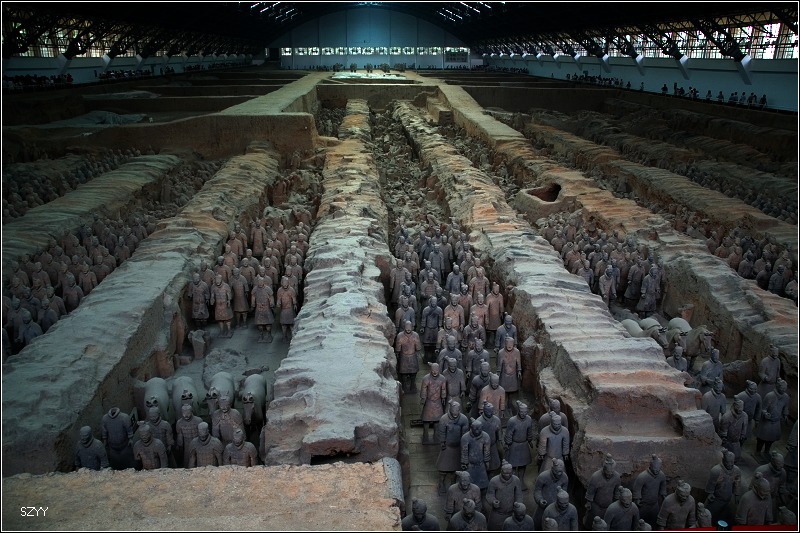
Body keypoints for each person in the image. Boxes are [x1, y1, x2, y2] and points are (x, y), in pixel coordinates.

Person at [437, 400, 470, 494]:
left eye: (457, 412)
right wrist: (442, 442)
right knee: (443, 468)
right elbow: (442, 432)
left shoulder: (463, 419)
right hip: (447, 447)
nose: (455, 414)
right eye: (453, 412)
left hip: (458, 447)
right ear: (450, 409)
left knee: (456, 468)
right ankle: (441, 483)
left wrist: (464, 445)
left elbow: (465, 434)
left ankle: (453, 484)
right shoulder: (444, 419)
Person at [704, 450, 742, 524]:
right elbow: (711, 483)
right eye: (728, 462)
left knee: (722, 514)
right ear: (723, 460)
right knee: (709, 513)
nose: (730, 464)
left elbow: (737, 482)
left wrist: (737, 494)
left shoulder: (736, 470)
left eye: (732, 462)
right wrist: (710, 493)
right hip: (716, 498)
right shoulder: (716, 470)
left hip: (728, 498)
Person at [755, 378, 789, 458]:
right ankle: (758, 452)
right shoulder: (770, 395)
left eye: (785, 388)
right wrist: (765, 413)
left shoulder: (786, 397)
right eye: (782, 388)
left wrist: (785, 415)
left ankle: (766, 451)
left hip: (776, 422)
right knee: (761, 438)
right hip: (766, 421)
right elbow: (763, 408)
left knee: (771, 439)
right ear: (778, 387)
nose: (784, 390)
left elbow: (785, 408)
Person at [503, 402, 535, 488]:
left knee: (523, 464)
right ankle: (513, 481)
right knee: (512, 464)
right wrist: (507, 443)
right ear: (518, 411)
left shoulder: (529, 419)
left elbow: (529, 431)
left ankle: (520, 481)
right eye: (522, 412)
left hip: (524, 445)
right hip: (514, 445)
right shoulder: (512, 421)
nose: (523, 414)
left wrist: (530, 440)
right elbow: (509, 434)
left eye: (525, 412)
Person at [585, 454, 621, 528]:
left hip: (609, 507)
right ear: (604, 469)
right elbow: (590, 491)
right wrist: (588, 502)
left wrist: (616, 503)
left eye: (611, 473)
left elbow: (617, 492)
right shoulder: (596, 477)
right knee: (591, 524)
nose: (609, 475)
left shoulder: (617, 477)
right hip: (596, 506)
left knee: (607, 525)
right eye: (607, 473)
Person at [486, 460, 524, 530]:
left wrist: (518, 505)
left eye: (509, 473)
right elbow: (489, 495)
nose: (507, 475)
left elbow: (519, 495)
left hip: (511, 513)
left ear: (512, 472)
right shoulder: (494, 481)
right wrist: (493, 501)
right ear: (501, 471)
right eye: (505, 473)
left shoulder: (516, 480)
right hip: (497, 513)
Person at [533, 459, 569, 529]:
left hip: (558, 507)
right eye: (557, 471)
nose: (559, 474)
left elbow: (564, 492)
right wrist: (540, 500)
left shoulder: (565, 478)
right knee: (538, 526)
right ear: (552, 469)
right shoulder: (543, 476)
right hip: (544, 506)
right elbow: (537, 491)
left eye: (561, 472)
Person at [633, 454, 666, 527]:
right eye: (655, 468)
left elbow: (663, 485)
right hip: (643, 505)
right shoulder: (643, 476)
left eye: (658, 469)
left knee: (654, 521)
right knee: (641, 521)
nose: (657, 471)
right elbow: (637, 488)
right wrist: (637, 498)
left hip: (654, 504)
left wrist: (663, 495)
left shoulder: (661, 475)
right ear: (651, 466)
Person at [461, 418, 491, 493]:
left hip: (481, 464)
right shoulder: (465, 437)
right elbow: (464, 451)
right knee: (470, 484)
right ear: (471, 427)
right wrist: (464, 463)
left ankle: (483, 494)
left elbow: (486, 451)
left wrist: (487, 461)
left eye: (479, 429)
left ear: (482, 427)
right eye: (475, 429)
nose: (477, 431)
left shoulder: (486, 436)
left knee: (483, 484)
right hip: (470, 465)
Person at [421, 362, 447, 444]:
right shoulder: (426, 378)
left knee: (437, 420)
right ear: (430, 370)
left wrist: (443, 397)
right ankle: (425, 437)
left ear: (439, 370)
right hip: (429, 401)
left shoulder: (442, 378)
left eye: (436, 370)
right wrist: (423, 398)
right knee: (426, 420)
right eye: (433, 370)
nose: (434, 372)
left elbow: (443, 389)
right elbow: (424, 389)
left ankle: (436, 437)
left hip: (438, 402)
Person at [755, 451, 786, 517]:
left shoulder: (783, 473)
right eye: (779, 464)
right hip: (760, 498)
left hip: (772, 499)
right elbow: (752, 487)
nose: (781, 466)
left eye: (782, 464)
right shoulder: (762, 470)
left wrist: (783, 500)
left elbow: (781, 487)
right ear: (773, 462)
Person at [396, 320, 423, 393]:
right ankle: (405, 387)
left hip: (412, 357)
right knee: (403, 374)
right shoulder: (400, 335)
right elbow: (398, 349)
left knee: (413, 373)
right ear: (404, 327)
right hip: (404, 358)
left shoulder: (415, 335)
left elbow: (418, 347)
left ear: (412, 327)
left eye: (409, 327)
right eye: (407, 327)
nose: (408, 329)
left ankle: (412, 386)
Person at [251, 276, 275, 342]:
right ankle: (261, 335)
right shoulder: (255, 289)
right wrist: (253, 303)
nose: (260, 283)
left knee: (268, 322)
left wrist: (272, 303)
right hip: (258, 308)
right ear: (257, 282)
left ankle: (269, 335)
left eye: (261, 281)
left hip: (266, 307)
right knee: (259, 323)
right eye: (259, 281)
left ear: (264, 282)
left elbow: (271, 296)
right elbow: (253, 296)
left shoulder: (268, 288)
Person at [209, 274, 233, 338]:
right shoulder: (213, 286)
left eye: (219, 279)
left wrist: (229, 300)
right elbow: (212, 295)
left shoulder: (226, 286)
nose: (217, 281)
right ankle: (221, 331)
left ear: (221, 279)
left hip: (225, 304)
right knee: (220, 319)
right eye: (216, 279)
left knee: (227, 319)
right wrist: (212, 299)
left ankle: (229, 331)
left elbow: (229, 294)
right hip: (218, 305)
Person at [276, 276, 297, 341]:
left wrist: (295, 304)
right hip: (283, 309)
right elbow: (278, 299)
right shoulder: (279, 290)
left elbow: (294, 298)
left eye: (286, 284)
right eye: (283, 284)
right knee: (283, 324)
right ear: (281, 283)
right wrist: (278, 303)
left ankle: (293, 337)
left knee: (291, 324)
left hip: (290, 309)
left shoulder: (291, 290)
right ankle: (284, 336)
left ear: (288, 283)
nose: (285, 285)